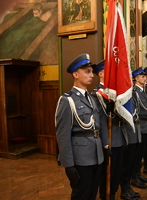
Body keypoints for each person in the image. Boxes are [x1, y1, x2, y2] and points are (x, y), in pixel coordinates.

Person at [55, 54, 109, 200]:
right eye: (87, 72)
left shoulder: (92, 99)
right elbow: (63, 134)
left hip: (96, 155)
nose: (92, 75)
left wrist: (104, 148)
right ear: (75, 74)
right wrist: (68, 164)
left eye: (92, 72)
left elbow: (98, 125)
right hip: (80, 158)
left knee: (92, 194)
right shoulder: (67, 100)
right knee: (81, 194)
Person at [92, 60, 128, 200]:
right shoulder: (97, 94)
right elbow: (99, 120)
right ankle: (106, 196)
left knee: (117, 171)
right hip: (108, 137)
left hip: (120, 135)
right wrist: (104, 143)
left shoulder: (116, 93)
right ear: (100, 74)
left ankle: (113, 192)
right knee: (107, 172)